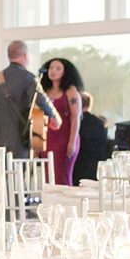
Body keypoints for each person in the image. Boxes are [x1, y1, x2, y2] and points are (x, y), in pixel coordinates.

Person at [0, 40, 58, 161]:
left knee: (0, 174)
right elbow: (41, 99)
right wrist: (54, 116)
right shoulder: (28, 77)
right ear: (25, 55)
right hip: (18, 136)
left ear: (8, 55)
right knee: (18, 174)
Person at [40, 56, 84, 186]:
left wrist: (72, 142)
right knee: (48, 176)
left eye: (58, 68)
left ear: (65, 72)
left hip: (65, 137)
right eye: (51, 68)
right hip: (47, 138)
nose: (53, 71)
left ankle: (65, 205)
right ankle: (49, 204)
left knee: (62, 175)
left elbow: (75, 117)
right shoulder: (44, 91)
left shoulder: (70, 91)